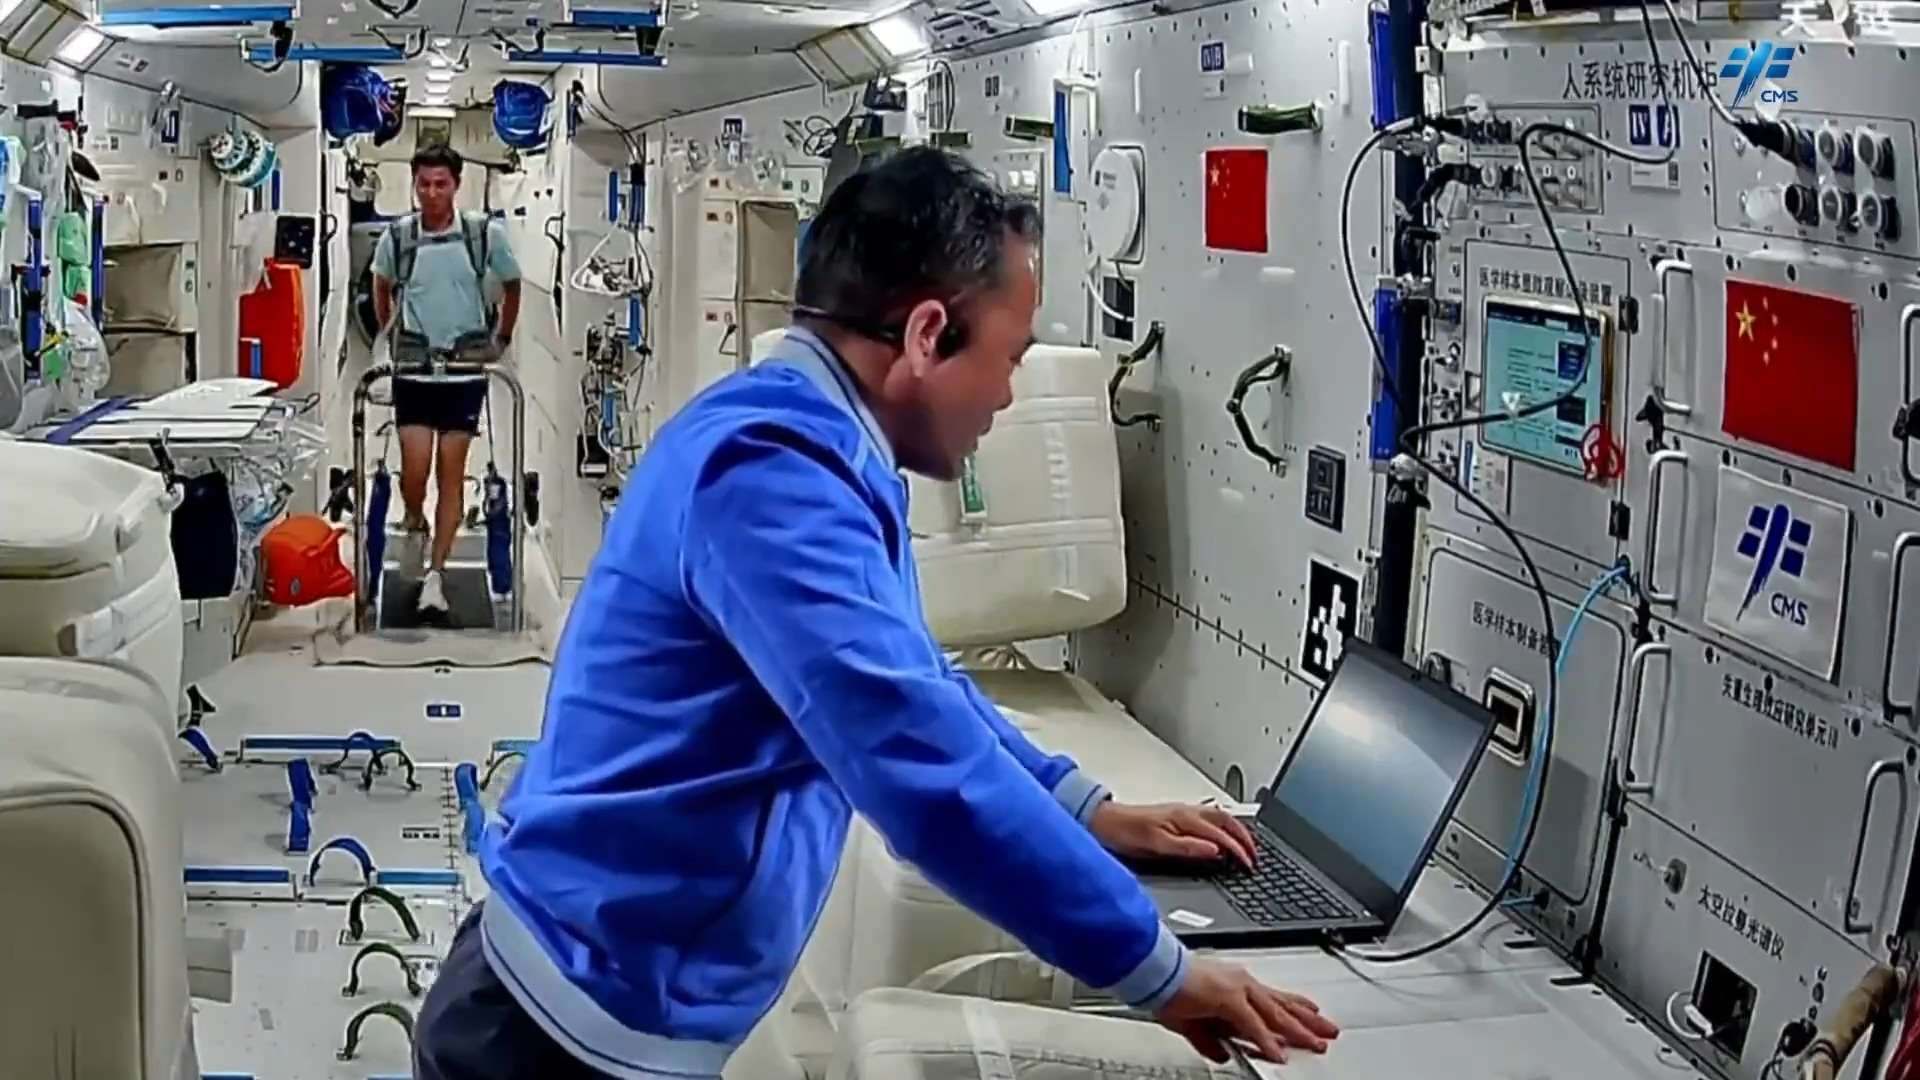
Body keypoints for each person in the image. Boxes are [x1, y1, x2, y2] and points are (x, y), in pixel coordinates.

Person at [412, 147, 1340, 1079]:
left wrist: (1085, 810)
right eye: (1008, 359)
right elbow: (916, 764)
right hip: (551, 1038)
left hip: (596, 1015)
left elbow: (921, 684)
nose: (1007, 394)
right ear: (928, 335)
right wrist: (1160, 972)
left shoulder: (821, 451)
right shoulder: (771, 478)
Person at [371, 143, 521, 617]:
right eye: (424, 184)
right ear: (413, 185)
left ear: (457, 185)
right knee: (414, 473)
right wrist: (392, 334)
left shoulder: (482, 235)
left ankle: (435, 575)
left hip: (462, 371)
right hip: (416, 372)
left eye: (441, 184)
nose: (432, 193)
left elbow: (512, 284)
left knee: (450, 474)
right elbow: (381, 284)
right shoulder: (398, 236)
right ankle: (415, 520)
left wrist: (500, 339)